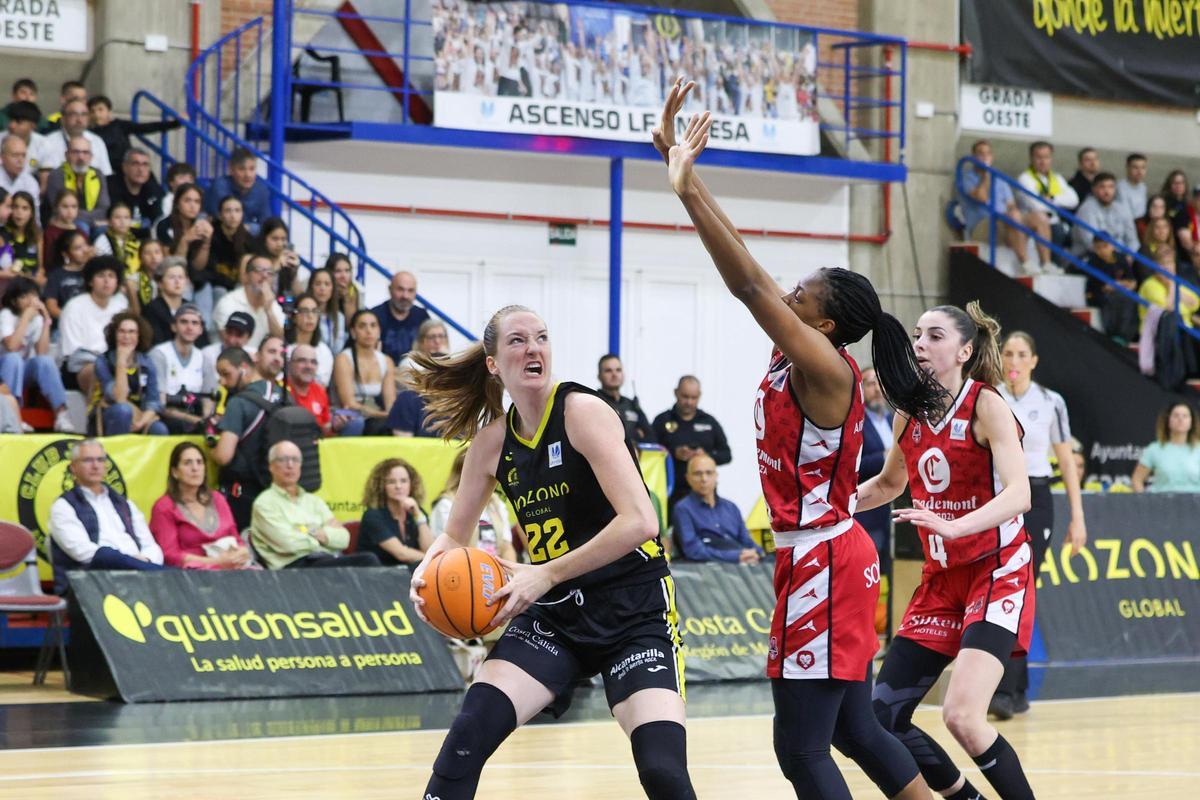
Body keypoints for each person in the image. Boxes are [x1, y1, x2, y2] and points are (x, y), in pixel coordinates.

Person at [663, 85, 934, 800]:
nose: (789, 296)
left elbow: (748, 285)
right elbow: (753, 272)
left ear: (826, 326)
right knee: (852, 732)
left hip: (822, 555)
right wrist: (680, 167)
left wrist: (686, 194)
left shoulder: (823, 367)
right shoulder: (806, 350)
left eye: (802, 297)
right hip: (821, 552)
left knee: (801, 749)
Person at [406, 303, 692, 800]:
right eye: (517, 340)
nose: (534, 348)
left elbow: (641, 522)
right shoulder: (491, 443)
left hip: (633, 610)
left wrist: (547, 573)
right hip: (556, 617)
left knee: (662, 771)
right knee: (465, 739)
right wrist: (427, 571)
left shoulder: (583, 412)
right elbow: (455, 536)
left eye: (541, 337)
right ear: (494, 363)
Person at [857, 302, 1037, 800]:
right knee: (882, 716)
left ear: (964, 350)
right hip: (942, 578)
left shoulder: (986, 404)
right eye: (916, 335)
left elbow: (1020, 494)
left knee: (962, 715)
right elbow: (890, 483)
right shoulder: (906, 413)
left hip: (996, 568)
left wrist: (956, 526)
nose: (919, 345)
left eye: (934, 336)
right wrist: (832, 504)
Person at [992, 331, 1088, 719]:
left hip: (1035, 497)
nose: (1014, 361)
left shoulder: (1051, 402)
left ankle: (1009, 691)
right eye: (1008, 354)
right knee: (997, 591)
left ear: (1033, 361)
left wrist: (1078, 517)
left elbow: (1066, 461)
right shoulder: (987, 395)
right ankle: (1007, 689)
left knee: (1022, 590)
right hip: (995, 497)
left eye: (1021, 354)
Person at [48, 439, 166, 594]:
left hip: (139, 576)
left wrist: (145, 562)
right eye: (88, 460)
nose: (95, 465)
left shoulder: (125, 503)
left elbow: (151, 546)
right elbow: (85, 553)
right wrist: (131, 563)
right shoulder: (63, 506)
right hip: (92, 582)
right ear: (73, 468)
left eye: (100, 460)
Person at [249, 440, 380, 569]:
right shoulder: (264, 503)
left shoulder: (314, 501)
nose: (290, 465)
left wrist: (303, 530)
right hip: (292, 569)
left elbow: (344, 539)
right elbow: (288, 544)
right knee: (367, 561)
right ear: (271, 466)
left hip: (322, 560)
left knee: (367, 561)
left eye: (295, 460)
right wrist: (320, 533)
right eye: (283, 459)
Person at [211, 345, 283, 530]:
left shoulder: (238, 403)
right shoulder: (284, 395)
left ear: (243, 366)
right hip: (281, 491)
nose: (223, 381)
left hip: (245, 495)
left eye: (226, 373)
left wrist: (210, 440)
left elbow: (223, 456)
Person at [150, 441, 253, 569]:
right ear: (175, 472)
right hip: (191, 576)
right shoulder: (164, 507)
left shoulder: (217, 498)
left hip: (231, 568)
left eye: (199, 462)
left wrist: (242, 551)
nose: (195, 468)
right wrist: (217, 562)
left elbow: (236, 538)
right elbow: (170, 555)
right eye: (188, 463)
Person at [960, 139, 1049, 274]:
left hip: (1005, 222)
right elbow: (982, 197)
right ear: (973, 157)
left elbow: (1011, 204)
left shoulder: (999, 178)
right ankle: (1025, 263)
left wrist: (1014, 213)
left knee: (1039, 217)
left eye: (988, 154)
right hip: (982, 226)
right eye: (980, 154)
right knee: (1012, 217)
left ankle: (1046, 263)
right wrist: (986, 175)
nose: (985, 157)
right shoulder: (967, 178)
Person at [0, 277, 74, 431]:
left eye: (33, 296)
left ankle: (61, 414)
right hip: (4, 370)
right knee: (14, 359)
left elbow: (42, 352)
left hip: (24, 371)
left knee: (45, 361)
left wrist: (46, 319)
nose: (30, 301)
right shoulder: (6, 315)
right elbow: (12, 346)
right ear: (14, 301)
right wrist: (25, 318)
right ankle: (13, 415)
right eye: (24, 296)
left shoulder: (37, 319)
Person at [652, 375, 731, 508]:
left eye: (693, 398)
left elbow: (726, 454)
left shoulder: (709, 422)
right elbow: (651, 454)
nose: (689, 402)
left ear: (699, 396)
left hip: (704, 494)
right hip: (670, 492)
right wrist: (673, 453)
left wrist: (705, 456)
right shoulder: (662, 420)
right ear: (676, 393)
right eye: (685, 396)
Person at [428, 448, 516, 561]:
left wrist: (511, 575)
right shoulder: (445, 504)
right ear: (463, 474)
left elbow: (507, 547)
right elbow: (451, 549)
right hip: (464, 568)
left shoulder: (496, 503)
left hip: (497, 569)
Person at [58, 255, 128, 396]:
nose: (107, 281)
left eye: (111, 276)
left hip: (113, 360)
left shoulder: (121, 304)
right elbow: (72, 351)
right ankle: (97, 415)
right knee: (99, 371)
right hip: (79, 366)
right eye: (101, 276)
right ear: (90, 281)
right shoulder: (75, 306)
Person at [672, 454, 761, 564]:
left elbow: (747, 542)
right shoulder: (683, 509)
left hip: (743, 565)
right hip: (708, 571)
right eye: (697, 474)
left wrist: (758, 553)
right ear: (688, 478)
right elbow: (693, 550)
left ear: (716, 476)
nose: (704, 479)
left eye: (709, 473)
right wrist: (736, 556)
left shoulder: (731, 507)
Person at [91, 312, 167, 436]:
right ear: (114, 334)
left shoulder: (147, 363)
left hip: (138, 416)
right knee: (123, 411)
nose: (126, 336)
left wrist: (142, 422)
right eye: (122, 331)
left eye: (132, 332)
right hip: (109, 413)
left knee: (159, 429)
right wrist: (121, 360)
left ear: (139, 335)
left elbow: (153, 402)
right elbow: (119, 398)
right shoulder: (103, 361)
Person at [855, 367, 894, 585]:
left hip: (894, 513)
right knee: (869, 573)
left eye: (880, 383)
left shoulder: (892, 419)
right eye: (870, 384)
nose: (877, 389)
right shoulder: (858, 422)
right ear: (861, 389)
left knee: (892, 571)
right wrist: (884, 457)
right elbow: (853, 464)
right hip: (869, 512)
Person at [150, 303, 213, 434]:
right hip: (166, 417)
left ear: (201, 329)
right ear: (174, 326)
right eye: (184, 322)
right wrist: (193, 420)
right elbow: (159, 403)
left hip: (194, 416)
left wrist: (205, 420)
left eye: (195, 323)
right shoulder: (160, 354)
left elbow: (209, 399)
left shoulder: (204, 359)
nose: (189, 327)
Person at [358, 458, 434, 567]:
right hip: (377, 576)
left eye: (403, 481)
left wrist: (419, 517)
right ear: (381, 486)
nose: (398, 486)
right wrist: (432, 560)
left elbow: (429, 549)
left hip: (409, 574)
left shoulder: (418, 512)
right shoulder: (373, 515)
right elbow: (402, 554)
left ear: (411, 484)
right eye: (391, 482)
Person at [332, 309, 396, 436]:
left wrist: (389, 415)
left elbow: (391, 404)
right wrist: (382, 414)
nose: (369, 331)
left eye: (373, 325)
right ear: (353, 332)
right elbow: (349, 403)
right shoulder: (344, 359)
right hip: (348, 415)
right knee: (370, 424)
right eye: (362, 326)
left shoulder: (386, 361)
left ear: (379, 331)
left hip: (375, 416)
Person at [156, 183, 216, 315]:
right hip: (174, 278)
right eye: (187, 200)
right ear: (177, 203)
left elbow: (198, 266)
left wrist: (207, 242)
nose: (192, 205)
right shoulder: (164, 225)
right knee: (185, 298)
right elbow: (171, 264)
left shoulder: (202, 226)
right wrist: (185, 241)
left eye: (197, 201)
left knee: (206, 299)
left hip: (197, 278)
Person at [1016, 141, 1079, 259]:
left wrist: (1051, 199)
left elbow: (1074, 200)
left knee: (1063, 230)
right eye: (1039, 157)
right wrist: (1059, 201)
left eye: (1046, 157)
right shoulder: (1025, 178)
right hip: (1032, 226)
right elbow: (1036, 206)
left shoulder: (1057, 178)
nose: (1043, 161)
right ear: (1031, 158)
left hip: (1054, 224)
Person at [87, 95, 179, 174]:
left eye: (100, 110)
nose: (96, 114)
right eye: (92, 111)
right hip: (107, 173)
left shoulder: (119, 125)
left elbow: (145, 127)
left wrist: (174, 123)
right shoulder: (88, 134)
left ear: (109, 111)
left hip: (129, 170)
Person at [212, 253, 285, 350]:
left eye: (269, 273)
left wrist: (269, 311)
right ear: (246, 275)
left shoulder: (274, 305)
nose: (264, 276)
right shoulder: (229, 302)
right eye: (258, 270)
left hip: (260, 361)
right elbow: (228, 341)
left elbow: (279, 339)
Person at [42, 135, 109, 231]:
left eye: (85, 152)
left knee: (107, 229)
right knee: (82, 228)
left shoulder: (98, 175)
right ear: (66, 155)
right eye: (76, 152)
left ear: (91, 156)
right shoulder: (56, 175)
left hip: (95, 224)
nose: (81, 157)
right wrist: (93, 221)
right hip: (65, 224)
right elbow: (60, 210)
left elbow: (104, 209)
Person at [1131, 402, 1200, 493]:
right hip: (1164, 504)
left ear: (1192, 422)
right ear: (1168, 420)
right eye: (1176, 415)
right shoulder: (1154, 449)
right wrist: (1145, 504)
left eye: (1185, 416)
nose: (1180, 419)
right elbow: (1137, 479)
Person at [92, 202, 149, 309]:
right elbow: (104, 268)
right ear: (109, 221)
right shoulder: (103, 240)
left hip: (136, 280)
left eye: (126, 217)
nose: (122, 221)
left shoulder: (135, 240)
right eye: (117, 217)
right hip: (116, 284)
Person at [1084, 235, 1140, 342]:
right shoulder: (1093, 261)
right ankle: (1117, 334)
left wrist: (1117, 284)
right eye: (1098, 247)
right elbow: (1106, 287)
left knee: (1134, 298)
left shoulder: (1120, 258)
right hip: (1097, 295)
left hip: (1119, 293)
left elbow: (1133, 283)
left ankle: (1127, 336)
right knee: (1122, 298)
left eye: (1105, 246)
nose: (1102, 250)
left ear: (1112, 246)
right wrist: (1122, 284)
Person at [203, 147, 271, 234]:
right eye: (242, 169)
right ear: (231, 169)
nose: (248, 175)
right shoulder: (219, 187)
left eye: (252, 169)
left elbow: (266, 225)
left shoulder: (261, 190)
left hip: (246, 236)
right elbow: (218, 221)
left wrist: (247, 228)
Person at [38, 98, 113, 177]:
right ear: (63, 119)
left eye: (84, 114)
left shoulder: (97, 141)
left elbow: (106, 174)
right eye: (74, 114)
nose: (79, 120)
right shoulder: (47, 142)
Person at [286, 343, 346, 436]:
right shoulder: (280, 390)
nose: (308, 366)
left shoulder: (319, 391)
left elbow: (324, 431)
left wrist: (334, 427)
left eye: (313, 362)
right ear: (290, 365)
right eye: (302, 361)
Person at [1071, 172, 1138, 256]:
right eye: (1102, 187)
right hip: (1090, 256)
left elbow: (1133, 239)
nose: (1107, 191)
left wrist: (1130, 256)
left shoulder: (1122, 208)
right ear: (1094, 189)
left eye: (1111, 187)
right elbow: (1090, 242)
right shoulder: (1086, 209)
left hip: (1120, 256)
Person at [372, 270, 430, 364]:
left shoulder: (422, 316)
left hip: (414, 374)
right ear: (390, 289)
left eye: (410, 290)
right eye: (400, 289)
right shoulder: (375, 316)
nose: (405, 296)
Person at [143, 256, 203, 346]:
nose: (177, 281)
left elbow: (202, 341)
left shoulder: (191, 308)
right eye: (172, 277)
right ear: (160, 283)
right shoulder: (151, 309)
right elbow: (156, 342)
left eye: (181, 277)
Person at [598, 353, 655, 444]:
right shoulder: (595, 401)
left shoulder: (632, 404)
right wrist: (636, 434)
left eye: (618, 370)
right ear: (599, 376)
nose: (614, 374)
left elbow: (651, 437)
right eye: (608, 371)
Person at [106, 147, 163, 236]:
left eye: (145, 165)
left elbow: (158, 220)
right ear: (124, 167)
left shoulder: (153, 189)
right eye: (135, 164)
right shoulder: (110, 186)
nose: (140, 169)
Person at [284, 292, 334, 385]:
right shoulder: (284, 347)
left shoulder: (324, 351)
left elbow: (321, 388)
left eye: (314, 311)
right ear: (294, 317)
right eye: (304, 311)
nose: (310, 316)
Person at [201, 311, 255, 393]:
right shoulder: (206, 354)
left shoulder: (254, 357)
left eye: (239, 335)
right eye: (229, 332)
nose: (231, 339)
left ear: (249, 337)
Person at [210, 195, 252, 290]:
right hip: (215, 284)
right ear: (220, 215)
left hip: (237, 284)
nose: (233, 216)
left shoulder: (248, 239)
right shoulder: (211, 235)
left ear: (242, 214)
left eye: (237, 211)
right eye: (228, 211)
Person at [254, 216, 302, 296]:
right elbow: (257, 291)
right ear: (264, 239)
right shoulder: (255, 260)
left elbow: (299, 296)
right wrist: (276, 267)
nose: (280, 244)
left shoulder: (287, 261)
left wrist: (294, 273)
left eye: (283, 239)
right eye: (275, 239)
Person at [3, 101, 50, 176]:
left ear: (33, 126)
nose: (12, 125)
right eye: (11, 120)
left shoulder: (44, 144)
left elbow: (44, 180)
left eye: (18, 122)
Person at [308, 263, 347, 352]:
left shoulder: (339, 317)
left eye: (327, 284)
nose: (322, 288)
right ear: (311, 287)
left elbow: (338, 350)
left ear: (332, 289)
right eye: (318, 284)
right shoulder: (304, 313)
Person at [6, 190, 41, 281]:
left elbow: (41, 267)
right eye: (15, 207)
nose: (19, 212)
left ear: (31, 213)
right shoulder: (3, 234)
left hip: (31, 284)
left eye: (25, 208)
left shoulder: (37, 234)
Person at [42, 189, 81, 263]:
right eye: (65, 206)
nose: (70, 211)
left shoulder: (80, 232)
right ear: (56, 207)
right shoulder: (49, 233)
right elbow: (48, 260)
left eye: (74, 206)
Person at [0, 134, 39, 207]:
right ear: (2, 157)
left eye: (23, 155)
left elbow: (35, 216)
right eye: (15, 155)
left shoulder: (31, 182)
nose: (20, 161)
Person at [1116, 153, 1148, 226]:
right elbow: (1125, 215)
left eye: (1143, 167)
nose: (1140, 171)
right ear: (1127, 168)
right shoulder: (1120, 187)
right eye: (1135, 167)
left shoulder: (1143, 187)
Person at [328, 252, 363, 319]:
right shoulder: (323, 290)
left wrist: (347, 300)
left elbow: (351, 325)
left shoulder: (354, 290)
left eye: (347, 271)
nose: (343, 276)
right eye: (338, 271)